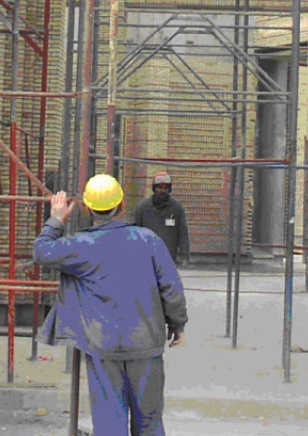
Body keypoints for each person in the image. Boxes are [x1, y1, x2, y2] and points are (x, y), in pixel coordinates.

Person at [33, 174, 187, 436]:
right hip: (146, 344)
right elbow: (171, 288)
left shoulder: (83, 245)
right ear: (122, 204)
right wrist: (178, 324)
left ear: (88, 208)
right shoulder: (148, 240)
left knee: (109, 424)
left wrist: (57, 218)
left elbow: (42, 251)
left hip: (103, 347)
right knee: (149, 422)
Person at [131, 172, 190, 267]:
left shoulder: (177, 208)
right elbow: (135, 232)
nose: (162, 191)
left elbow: (183, 233)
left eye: (165, 188)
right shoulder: (142, 207)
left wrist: (184, 256)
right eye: (159, 188)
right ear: (154, 189)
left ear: (169, 189)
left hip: (168, 257)